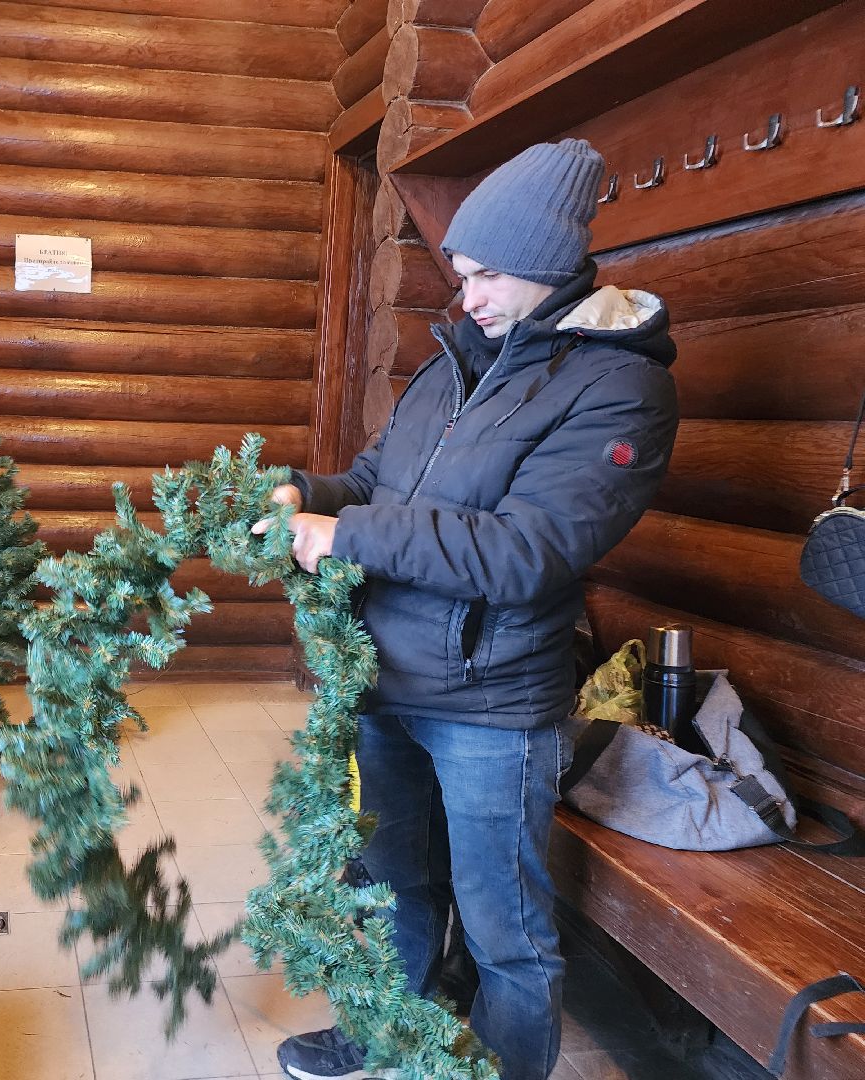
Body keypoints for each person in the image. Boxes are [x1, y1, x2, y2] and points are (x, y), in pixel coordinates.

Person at [262, 139, 679, 1080]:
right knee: (385, 879)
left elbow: (529, 552)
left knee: (507, 931)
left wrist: (350, 535)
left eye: (490, 274)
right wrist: (303, 492)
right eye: (460, 272)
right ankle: (381, 1032)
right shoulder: (456, 359)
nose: (468, 295)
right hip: (385, 679)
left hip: (493, 707)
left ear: (553, 264)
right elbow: (375, 482)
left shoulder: (619, 387)